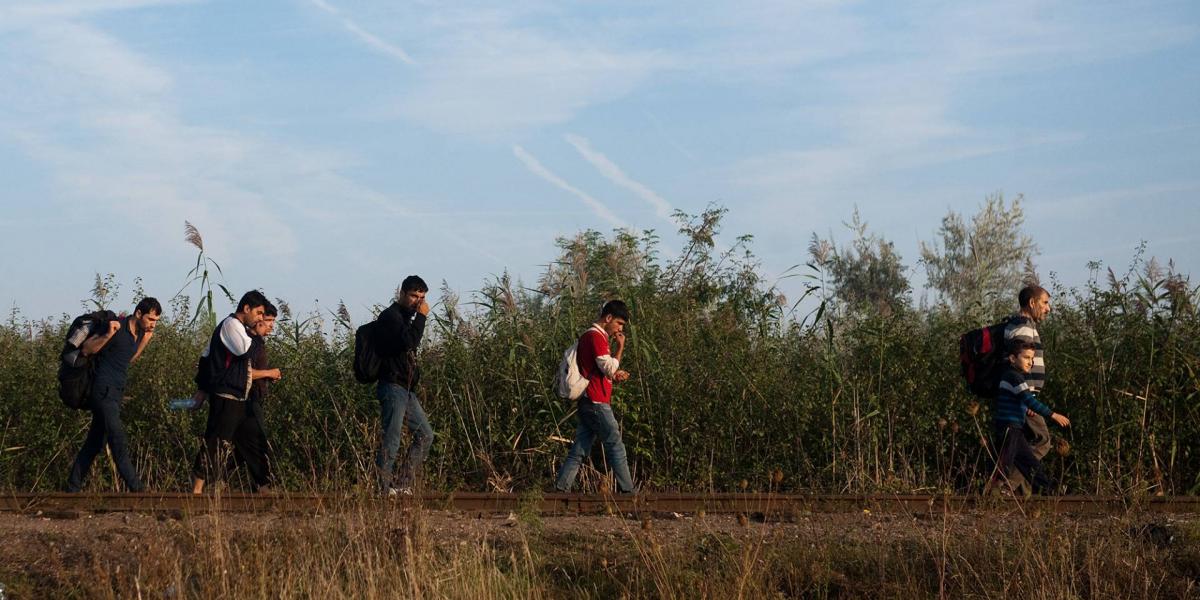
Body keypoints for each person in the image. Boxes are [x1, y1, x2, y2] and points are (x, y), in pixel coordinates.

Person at [66, 297, 162, 493]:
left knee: (94, 443)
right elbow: (86, 349)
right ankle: (137, 489)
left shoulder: (136, 334)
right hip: (103, 392)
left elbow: (128, 359)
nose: (153, 324)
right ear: (138, 314)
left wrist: (144, 340)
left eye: (156, 321)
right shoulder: (117, 329)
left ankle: (72, 487)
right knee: (117, 438)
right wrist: (108, 334)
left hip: (115, 394)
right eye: (151, 319)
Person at [191, 291, 279, 494]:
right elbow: (245, 351)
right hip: (227, 395)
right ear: (246, 309)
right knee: (216, 443)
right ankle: (197, 488)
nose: (260, 319)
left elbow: (207, 357)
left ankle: (263, 487)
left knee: (255, 441)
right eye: (258, 313)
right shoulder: (231, 325)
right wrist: (257, 335)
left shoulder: (240, 329)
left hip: (242, 397)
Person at [554, 300, 635, 494]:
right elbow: (608, 367)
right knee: (615, 444)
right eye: (619, 323)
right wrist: (620, 347)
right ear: (608, 318)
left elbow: (601, 370)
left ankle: (560, 488)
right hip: (596, 402)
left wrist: (615, 376)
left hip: (588, 401)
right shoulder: (596, 336)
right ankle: (628, 492)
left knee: (580, 449)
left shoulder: (591, 337)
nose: (619, 329)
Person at [375, 275, 434, 495]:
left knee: (425, 435)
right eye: (413, 296)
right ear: (402, 293)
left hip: (406, 389)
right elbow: (409, 342)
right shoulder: (390, 317)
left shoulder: (405, 318)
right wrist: (422, 317)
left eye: (422, 297)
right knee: (392, 439)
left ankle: (400, 484)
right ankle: (381, 490)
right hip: (392, 387)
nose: (418, 301)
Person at [991, 343, 1070, 494]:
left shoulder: (1012, 376)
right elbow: (1029, 400)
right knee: (1011, 465)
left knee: (1027, 463)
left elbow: (1021, 400)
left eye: (1032, 358)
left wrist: (1025, 407)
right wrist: (1053, 415)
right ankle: (994, 494)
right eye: (1026, 357)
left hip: (1012, 428)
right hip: (1009, 428)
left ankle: (1049, 491)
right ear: (1013, 358)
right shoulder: (1014, 376)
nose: (1030, 362)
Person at [224, 302, 280, 492]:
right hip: (245, 399)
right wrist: (268, 373)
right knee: (257, 441)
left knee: (245, 445)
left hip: (253, 398)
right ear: (258, 320)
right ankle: (263, 485)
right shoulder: (247, 343)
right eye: (269, 320)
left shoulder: (257, 342)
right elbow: (243, 372)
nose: (271, 325)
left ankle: (218, 477)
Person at [1003, 284, 1052, 492]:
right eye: (1045, 303)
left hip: (1024, 396)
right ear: (1032, 303)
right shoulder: (1023, 327)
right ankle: (1006, 485)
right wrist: (1028, 396)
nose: (1048, 308)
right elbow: (1021, 363)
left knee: (1024, 445)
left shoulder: (1021, 325)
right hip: (1024, 397)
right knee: (1043, 440)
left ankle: (1022, 493)